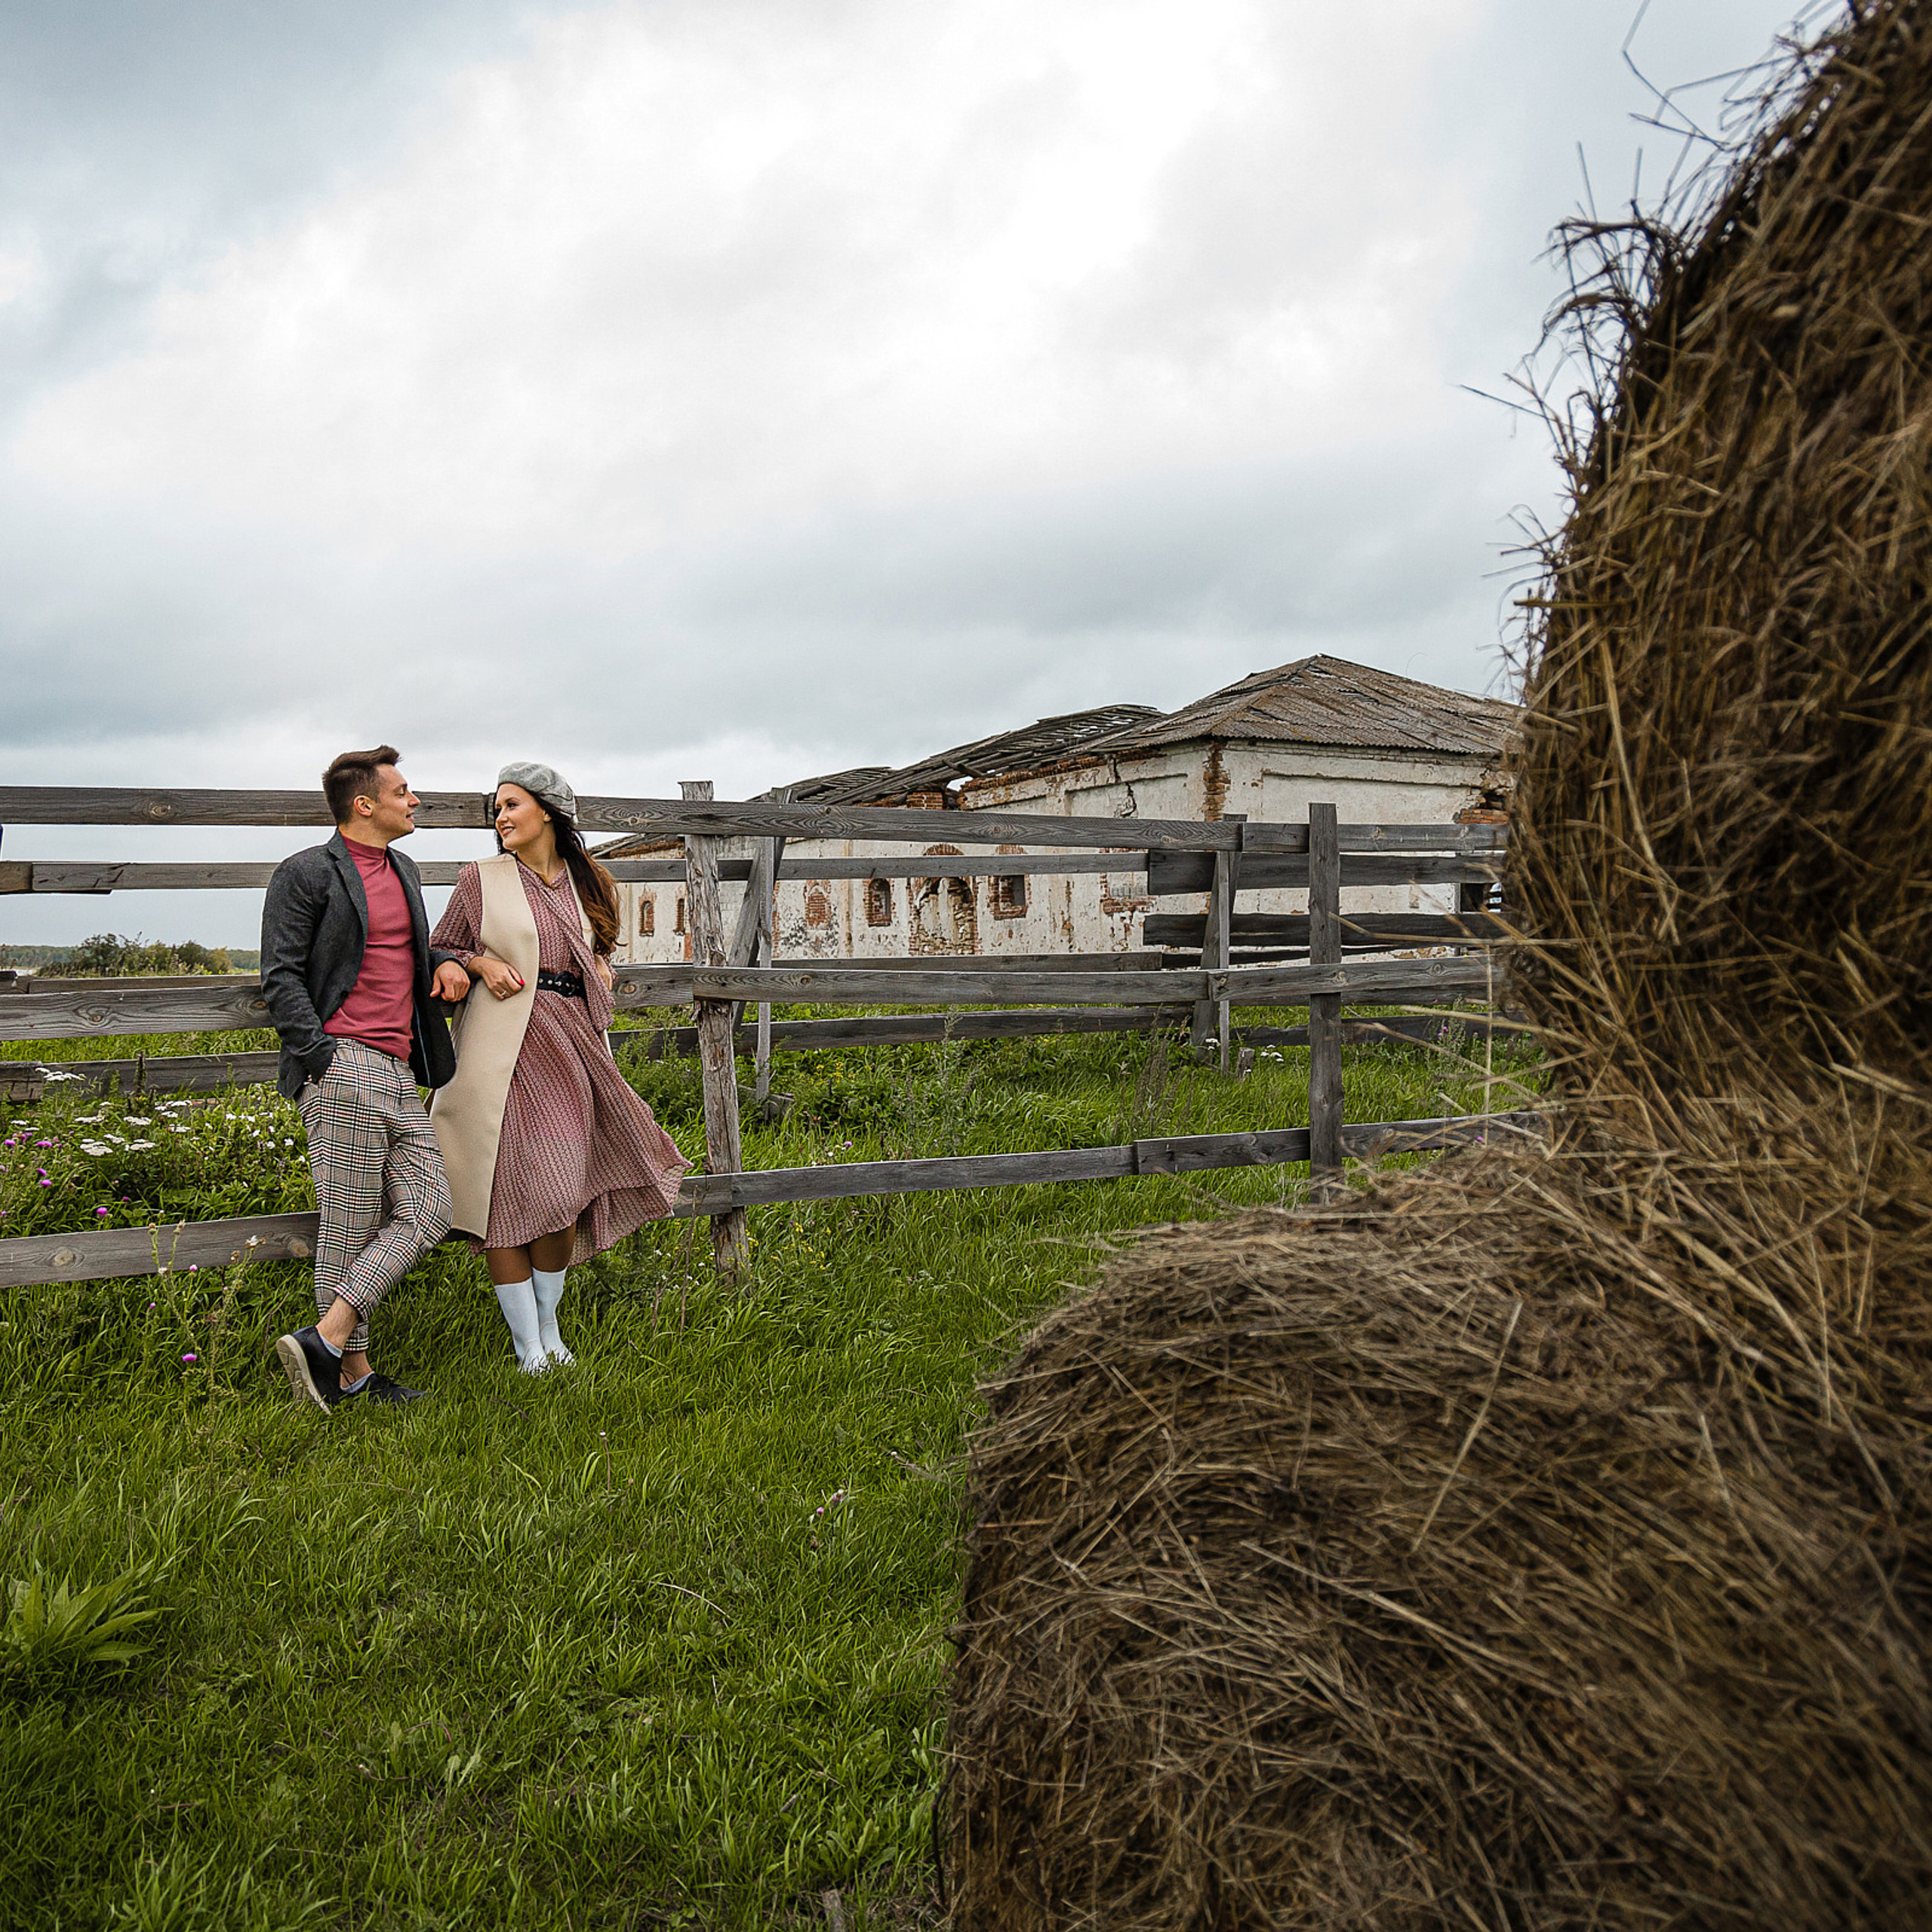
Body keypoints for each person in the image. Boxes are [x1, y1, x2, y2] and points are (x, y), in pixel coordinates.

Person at [429, 761, 689, 1372]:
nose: (501, 817)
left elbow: (597, 949)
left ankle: (548, 1323)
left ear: (547, 810)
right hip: (501, 1052)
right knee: (503, 1195)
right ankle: (528, 1349)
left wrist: (600, 968)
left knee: (562, 1188)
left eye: (512, 804)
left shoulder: (586, 881)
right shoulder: (480, 879)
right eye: (497, 808)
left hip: (571, 1047)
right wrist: (476, 964)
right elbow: (439, 945)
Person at [261, 747, 472, 1411]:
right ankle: (351, 1378)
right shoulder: (306, 874)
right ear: (364, 804)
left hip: (399, 1067)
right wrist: (320, 1055)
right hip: (342, 1062)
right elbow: (282, 975)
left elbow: (399, 946)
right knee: (350, 1226)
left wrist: (447, 960)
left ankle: (323, 1341)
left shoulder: (403, 869)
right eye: (404, 792)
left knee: (430, 1207)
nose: (415, 802)